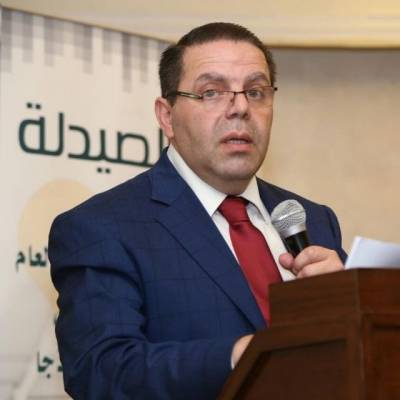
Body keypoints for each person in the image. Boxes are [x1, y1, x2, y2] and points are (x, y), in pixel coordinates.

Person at [49, 22, 346, 400]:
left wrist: (350, 303)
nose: (241, 108)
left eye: (256, 92)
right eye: (211, 92)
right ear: (166, 116)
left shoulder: (313, 219)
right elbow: (101, 371)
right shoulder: (101, 228)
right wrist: (240, 357)